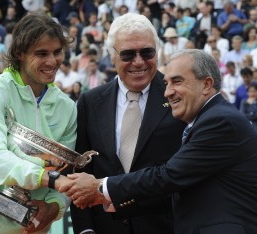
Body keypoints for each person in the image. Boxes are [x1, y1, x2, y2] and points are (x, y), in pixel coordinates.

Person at [56, 49, 257, 234]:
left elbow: (168, 176)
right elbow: (177, 189)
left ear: (207, 84)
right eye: (167, 83)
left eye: (177, 82)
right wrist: (106, 199)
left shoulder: (219, 121)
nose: (168, 92)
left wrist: (100, 186)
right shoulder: (204, 121)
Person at [0, 13, 77, 234]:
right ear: (19, 53)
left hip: (32, 229)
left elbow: (67, 173)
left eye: (57, 52)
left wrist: (55, 206)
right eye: (41, 53)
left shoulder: (67, 107)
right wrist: (47, 179)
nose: (52, 61)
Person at [69, 13, 186, 234]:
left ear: (157, 52)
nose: (139, 61)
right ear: (112, 56)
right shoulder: (90, 102)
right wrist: (85, 230)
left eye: (147, 52)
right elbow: (82, 170)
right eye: (128, 54)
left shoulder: (179, 96)